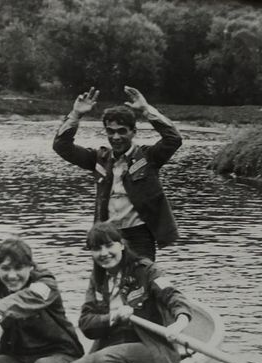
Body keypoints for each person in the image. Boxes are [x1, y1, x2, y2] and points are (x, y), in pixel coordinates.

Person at [53, 86, 182, 261]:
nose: (116, 137)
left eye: (122, 131)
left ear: (133, 132)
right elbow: (61, 146)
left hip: (140, 236)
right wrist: (76, 114)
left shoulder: (147, 157)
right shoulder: (99, 159)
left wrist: (146, 109)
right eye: (111, 131)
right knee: (107, 278)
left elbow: (173, 139)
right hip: (106, 235)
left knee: (141, 276)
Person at [64, 222, 191, 363]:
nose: (104, 253)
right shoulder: (97, 280)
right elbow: (86, 323)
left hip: (150, 347)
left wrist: (180, 322)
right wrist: (113, 317)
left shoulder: (146, 270)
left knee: (106, 360)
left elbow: (173, 297)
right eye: (97, 248)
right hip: (111, 348)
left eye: (109, 245)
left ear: (122, 245)